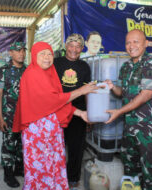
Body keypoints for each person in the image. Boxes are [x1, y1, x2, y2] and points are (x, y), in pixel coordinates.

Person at [12, 41, 98, 190]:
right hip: (38, 133)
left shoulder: (49, 73)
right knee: (40, 169)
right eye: (42, 54)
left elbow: (57, 102)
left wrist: (80, 113)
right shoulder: (32, 73)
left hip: (52, 132)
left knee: (53, 164)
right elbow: (52, 100)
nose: (47, 57)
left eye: (49, 54)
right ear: (34, 56)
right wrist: (81, 91)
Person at [105, 29, 152, 190]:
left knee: (150, 174)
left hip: (149, 129)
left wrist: (119, 112)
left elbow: (146, 94)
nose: (131, 46)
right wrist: (112, 87)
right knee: (130, 171)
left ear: (146, 44)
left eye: (136, 41)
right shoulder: (126, 67)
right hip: (130, 127)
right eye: (128, 42)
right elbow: (122, 93)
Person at [54, 33, 91, 189]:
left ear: (82, 49)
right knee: (56, 147)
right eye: (71, 45)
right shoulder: (55, 63)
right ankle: (56, 176)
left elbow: (88, 91)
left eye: (78, 46)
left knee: (76, 148)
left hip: (79, 113)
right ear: (66, 46)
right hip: (57, 111)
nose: (74, 49)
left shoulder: (84, 66)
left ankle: (73, 178)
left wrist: (89, 113)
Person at [0, 42, 26, 187]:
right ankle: (8, 174)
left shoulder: (28, 70)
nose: (21, 53)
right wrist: (0, 118)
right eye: (17, 51)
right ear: (11, 53)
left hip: (25, 117)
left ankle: (19, 169)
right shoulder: (2, 71)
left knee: (22, 144)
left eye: (23, 50)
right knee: (9, 145)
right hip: (9, 116)